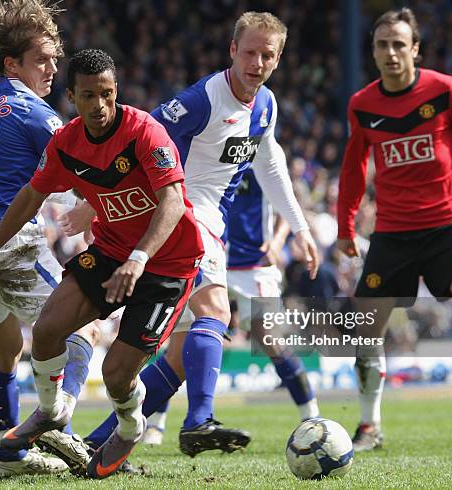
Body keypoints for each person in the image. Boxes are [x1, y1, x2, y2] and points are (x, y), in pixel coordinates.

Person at [75, 11, 319, 460]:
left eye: (268, 55)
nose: (257, 63)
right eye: (249, 52)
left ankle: (95, 441)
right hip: (185, 218)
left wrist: (299, 227)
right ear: (232, 50)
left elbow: (269, 164)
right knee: (216, 312)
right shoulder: (205, 99)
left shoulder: (265, 105)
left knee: (181, 354)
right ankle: (199, 421)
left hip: (208, 226)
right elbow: (138, 137)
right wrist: (96, 198)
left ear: (278, 59)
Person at [0, 48, 204, 480]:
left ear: (116, 92)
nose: (100, 105)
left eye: (107, 94)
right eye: (89, 96)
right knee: (49, 329)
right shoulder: (65, 143)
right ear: (72, 96)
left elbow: (172, 199)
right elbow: (31, 195)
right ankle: (52, 413)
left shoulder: (144, 131)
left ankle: (131, 426)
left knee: (115, 376)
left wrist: (140, 258)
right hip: (110, 252)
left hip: (167, 264)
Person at [337, 8, 452, 451]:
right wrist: (344, 225)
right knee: (365, 327)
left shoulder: (445, 90)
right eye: (381, 45)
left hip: (447, 224)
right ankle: (369, 425)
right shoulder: (362, 104)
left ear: (415, 49)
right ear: (372, 51)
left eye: (398, 44)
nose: (390, 53)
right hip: (391, 233)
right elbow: (353, 168)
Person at [0, 0, 96, 477]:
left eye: (56, 59)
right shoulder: (35, 112)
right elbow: (83, 170)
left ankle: (10, 454)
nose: (53, 69)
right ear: (12, 63)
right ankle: (56, 424)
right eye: (42, 60)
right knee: (80, 331)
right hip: (5, 242)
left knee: (5, 351)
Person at [142, 168, 320, 445]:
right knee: (178, 342)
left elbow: (289, 197)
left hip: (253, 263)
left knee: (270, 338)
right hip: (209, 252)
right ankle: (155, 424)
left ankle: (312, 417)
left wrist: (277, 239)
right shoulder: (210, 147)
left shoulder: (255, 147)